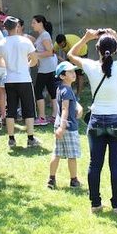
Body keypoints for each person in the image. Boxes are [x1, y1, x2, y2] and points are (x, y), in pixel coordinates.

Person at [67, 29, 117, 214]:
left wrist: (86, 38)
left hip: (97, 121)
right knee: (116, 164)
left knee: (95, 164)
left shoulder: (91, 66)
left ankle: (95, 204)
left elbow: (70, 54)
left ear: (97, 49)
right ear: (115, 50)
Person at [0, 16, 39, 148]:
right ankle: (30, 139)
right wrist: (26, 64)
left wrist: (8, 65)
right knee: (29, 109)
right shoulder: (25, 41)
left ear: (5, 28)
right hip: (24, 79)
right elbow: (35, 60)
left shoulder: (1, 43)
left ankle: (11, 139)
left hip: (9, 79)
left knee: (11, 109)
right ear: (17, 27)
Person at [47, 61, 83, 190]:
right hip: (68, 127)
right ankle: (74, 180)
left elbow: (70, 104)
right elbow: (65, 108)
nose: (74, 74)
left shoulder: (61, 88)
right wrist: (63, 127)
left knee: (56, 153)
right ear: (62, 76)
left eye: (74, 71)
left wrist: (78, 107)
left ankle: (51, 180)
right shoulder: (67, 90)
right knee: (72, 155)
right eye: (70, 72)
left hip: (59, 126)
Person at [31, 15, 58, 126]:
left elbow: (50, 52)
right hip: (48, 67)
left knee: (38, 91)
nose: (32, 25)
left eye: (34, 23)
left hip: (47, 67)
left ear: (40, 23)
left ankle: (42, 118)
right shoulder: (42, 35)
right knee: (52, 90)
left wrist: (35, 55)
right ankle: (55, 116)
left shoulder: (45, 35)